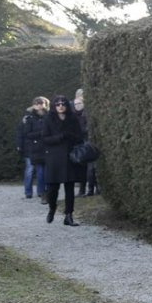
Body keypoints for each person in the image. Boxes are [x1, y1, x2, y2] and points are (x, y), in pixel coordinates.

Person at [42, 94, 85, 226]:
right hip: (54, 157)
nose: (61, 106)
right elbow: (45, 138)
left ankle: (69, 215)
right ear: (54, 106)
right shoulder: (49, 119)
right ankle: (52, 208)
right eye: (58, 104)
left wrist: (69, 135)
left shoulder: (72, 119)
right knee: (52, 188)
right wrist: (60, 137)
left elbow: (80, 137)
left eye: (63, 104)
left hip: (69, 156)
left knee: (69, 188)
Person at [20, 97, 49, 203]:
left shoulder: (49, 116)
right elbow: (26, 134)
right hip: (36, 148)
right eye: (36, 103)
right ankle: (40, 192)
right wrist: (41, 134)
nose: (39, 105)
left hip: (48, 147)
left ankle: (45, 191)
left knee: (47, 172)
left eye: (41, 103)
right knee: (39, 172)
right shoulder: (29, 118)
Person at [73, 95, 98, 197]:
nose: (77, 106)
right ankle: (82, 190)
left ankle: (92, 190)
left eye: (79, 103)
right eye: (75, 104)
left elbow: (88, 129)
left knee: (91, 168)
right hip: (79, 144)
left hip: (88, 143)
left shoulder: (87, 115)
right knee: (82, 169)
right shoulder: (74, 116)